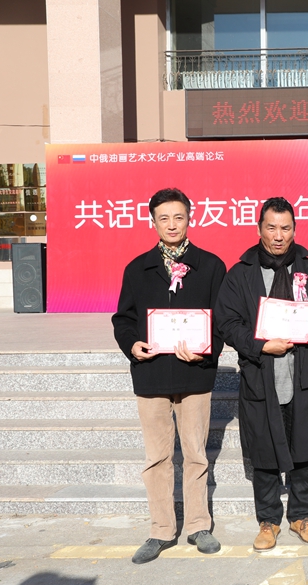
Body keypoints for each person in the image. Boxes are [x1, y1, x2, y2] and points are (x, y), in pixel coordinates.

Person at [112, 187, 227, 564]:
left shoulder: (211, 266)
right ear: (153, 222)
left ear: (190, 218)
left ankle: (198, 526)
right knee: (157, 457)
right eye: (164, 218)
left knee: (195, 454)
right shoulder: (137, 268)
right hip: (152, 375)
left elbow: (222, 319)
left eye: (179, 217)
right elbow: (123, 319)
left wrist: (205, 349)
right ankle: (161, 529)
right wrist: (132, 345)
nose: (172, 224)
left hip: (195, 374)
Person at [215, 196, 308, 551]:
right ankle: (268, 520)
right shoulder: (241, 274)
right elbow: (227, 322)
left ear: (295, 229)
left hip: (303, 376)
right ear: (259, 229)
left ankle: (301, 516)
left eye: (286, 228)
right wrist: (260, 345)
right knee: (264, 452)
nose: (279, 235)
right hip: (261, 375)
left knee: (303, 450)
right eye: (271, 227)